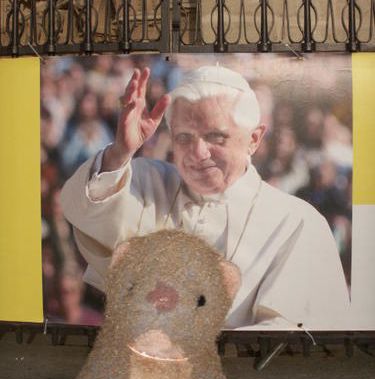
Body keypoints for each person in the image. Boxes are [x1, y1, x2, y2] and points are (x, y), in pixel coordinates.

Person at [61, 65, 350, 330]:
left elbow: (294, 344)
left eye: (216, 137)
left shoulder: (298, 223)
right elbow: (85, 209)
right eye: (184, 138)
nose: (198, 154)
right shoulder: (147, 182)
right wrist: (120, 152)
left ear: (254, 139)